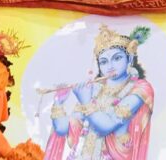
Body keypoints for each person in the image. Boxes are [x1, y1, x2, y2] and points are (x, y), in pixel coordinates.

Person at [44, 24, 154, 160]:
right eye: (104, 62)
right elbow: (63, 128)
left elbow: (107, 126)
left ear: (130, 59)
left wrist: (86, 101)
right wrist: (59, 102)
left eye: (117, 58)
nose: (110, 66)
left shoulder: (140, 88)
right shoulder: (95, 89)